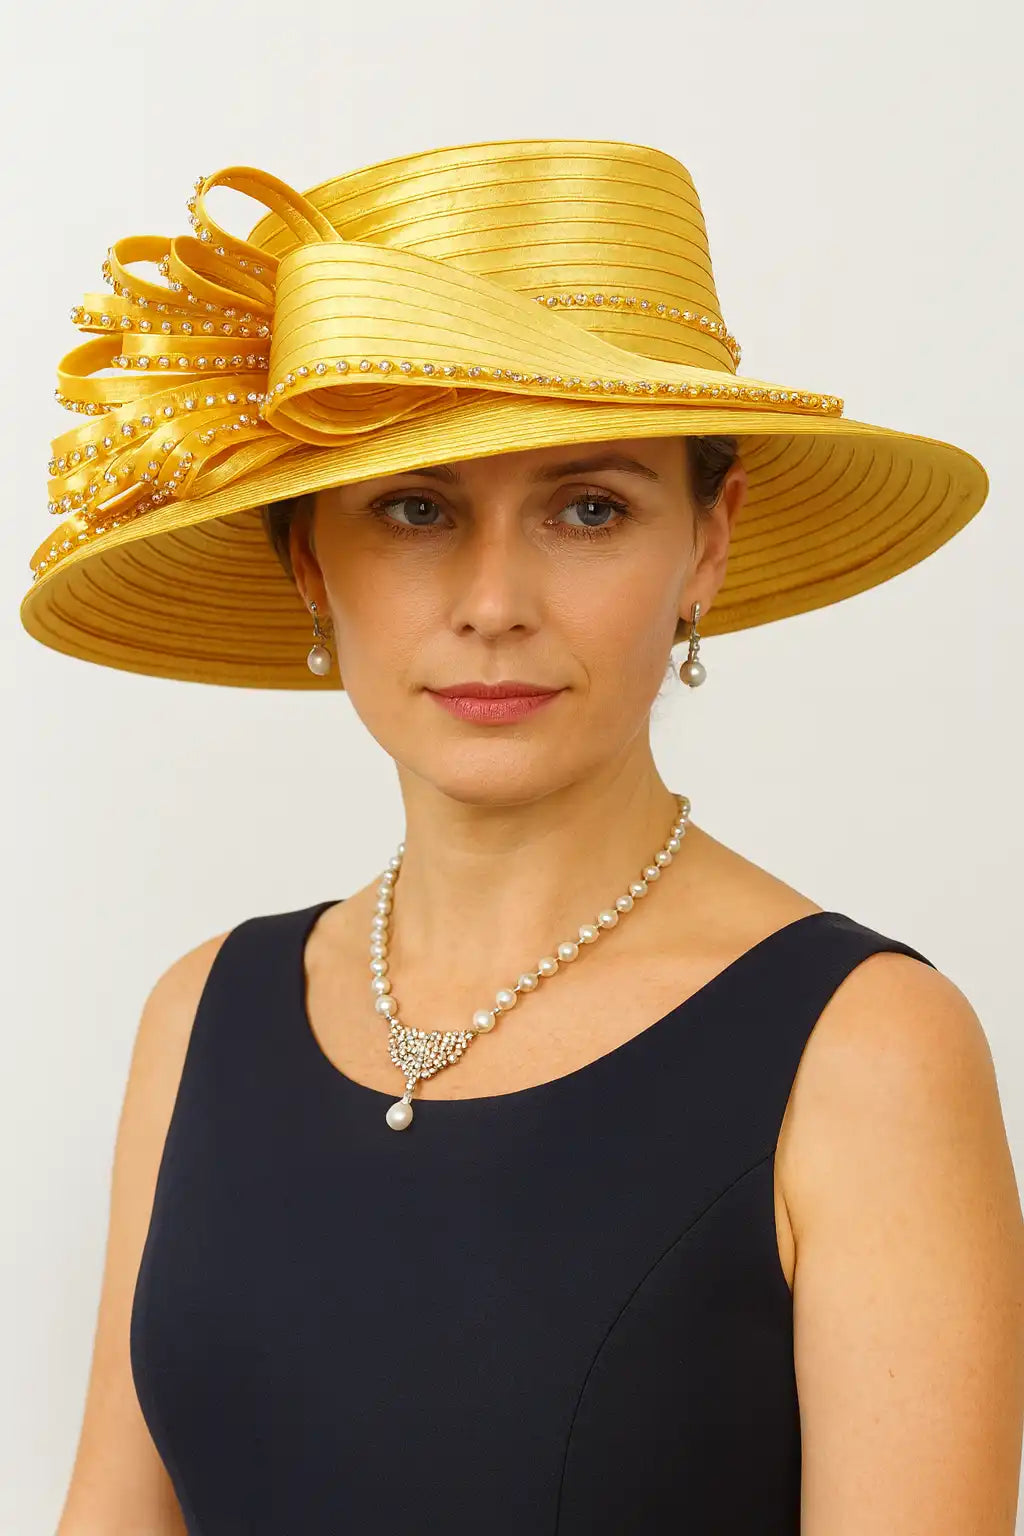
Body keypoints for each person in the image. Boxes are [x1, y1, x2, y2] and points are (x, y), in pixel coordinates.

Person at [25, 140, 1023, 1534]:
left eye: (589, 507)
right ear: (312, 557)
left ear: (709, 545)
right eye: (416, 509)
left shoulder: (870, 1052)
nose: (494, 602)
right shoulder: (199, 1015)